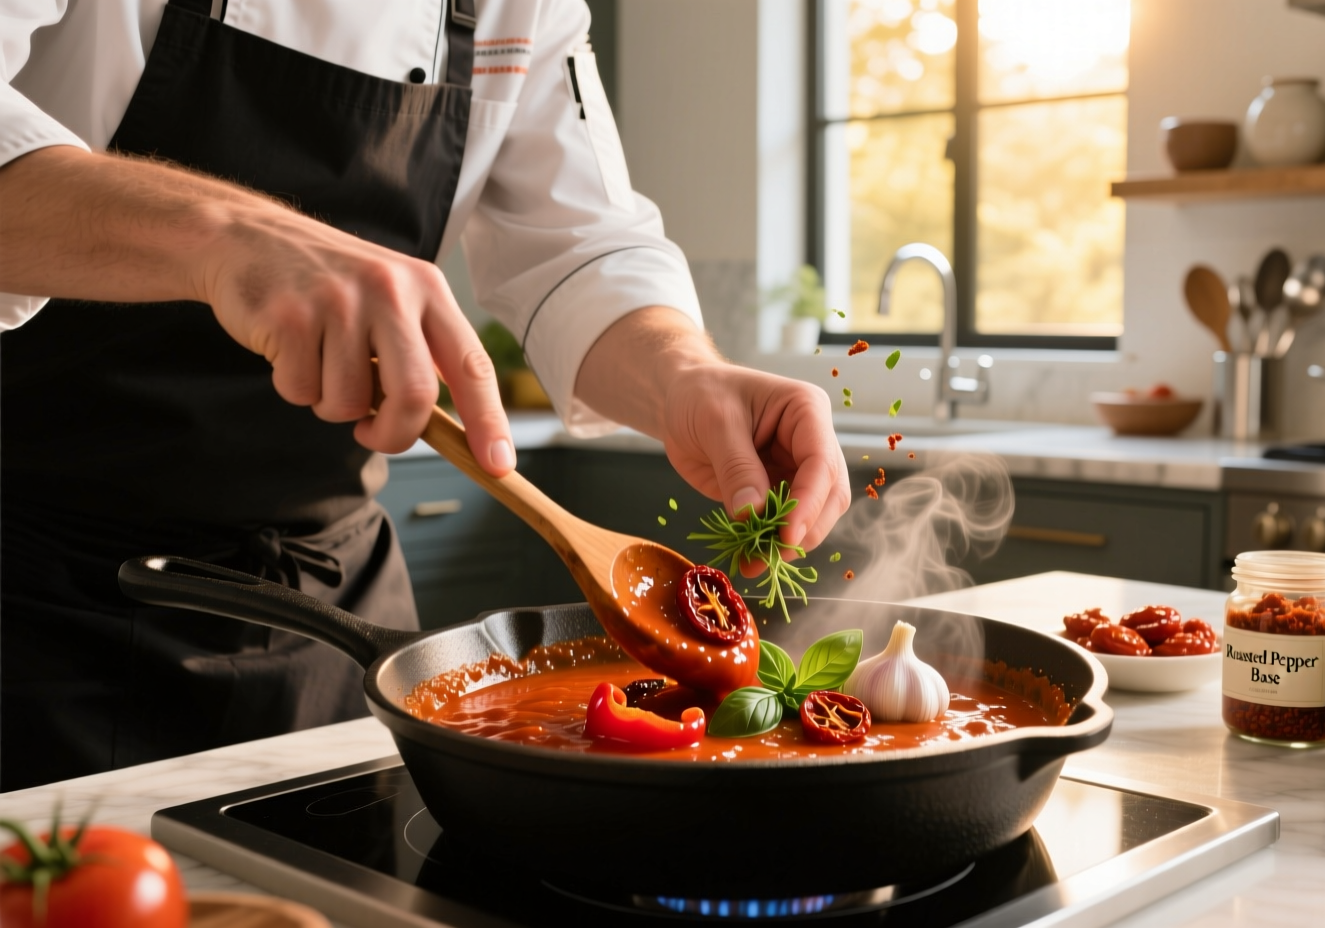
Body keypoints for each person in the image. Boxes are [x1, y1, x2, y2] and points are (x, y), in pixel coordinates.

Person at [0, 0, 849, 791]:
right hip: (35, 594)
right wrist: (227, 236)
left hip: (332, 611)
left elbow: (579, 248)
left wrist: (683, 373)